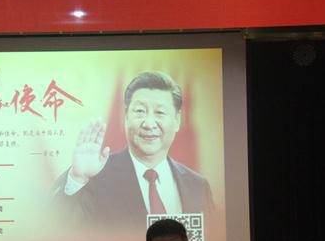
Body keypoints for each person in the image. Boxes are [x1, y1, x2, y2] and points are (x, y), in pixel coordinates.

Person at [51, 71, 214, 230]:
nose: (149, 124)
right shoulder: (95, 175)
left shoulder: (198, 187)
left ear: (177, 120)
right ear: (126, 117)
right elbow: (61, 233)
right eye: (140, 111)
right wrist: (78, 178)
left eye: (160, 112)